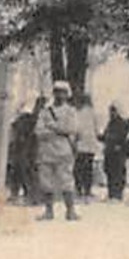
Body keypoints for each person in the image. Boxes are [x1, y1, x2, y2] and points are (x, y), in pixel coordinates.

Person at [35, 81, 82, 221]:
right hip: (46, 150)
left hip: (63, 151)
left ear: (67, 94)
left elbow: (71, 128)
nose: (59, 94)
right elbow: (38, 130)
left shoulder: (70, 111)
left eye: (62, 92)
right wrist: (56, 129)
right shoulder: (45, 111)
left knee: (66, 180)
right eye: (56, 91)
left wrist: (52, 126)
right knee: (46, 182)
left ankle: (70, 211)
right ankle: (48, 211)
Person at [72, 92, 100, 202]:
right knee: (88, 168)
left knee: (78, 168)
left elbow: (77, 129)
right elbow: (96, 129)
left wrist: (74, 140)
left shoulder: (78, 113)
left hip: (81, 145)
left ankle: (79, 189)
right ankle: (87, 190)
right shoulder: (93, 113)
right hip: (90, 145)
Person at [102, 105, 129, 201]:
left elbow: (125, 137)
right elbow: (106, 135)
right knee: (109, 172)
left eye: (113, 111)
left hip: (118, 153)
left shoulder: (122, 123)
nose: (111, 113)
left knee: (118, 173)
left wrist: (121, 146)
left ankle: (118, 194)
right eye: (110, 111)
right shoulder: (110, 123)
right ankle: (111, 193)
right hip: (109, 151)